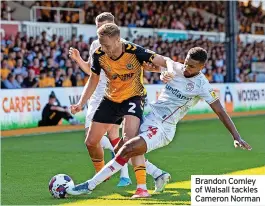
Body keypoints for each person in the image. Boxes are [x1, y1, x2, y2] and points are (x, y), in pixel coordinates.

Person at [68, 47, 252, 197]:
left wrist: (236, 136)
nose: (187, 68)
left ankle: (90, 186)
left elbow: (220, 111)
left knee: (128, 148)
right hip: (150, 117)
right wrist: (158, 71)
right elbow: (152, 66)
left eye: (192, 67)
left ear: (201, 67)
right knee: (121, 147)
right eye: (186, 62)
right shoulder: (176, 68)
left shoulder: (202, 85)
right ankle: (158, 174)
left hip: (164, 128)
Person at [70, 22, 174, 198]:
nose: (105, 49)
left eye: (108, 45)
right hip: (111, 99)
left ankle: (141, 188)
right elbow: (93, 79)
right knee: (91, 141)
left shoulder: (134, 50)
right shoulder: (99, 54)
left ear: (118, 40)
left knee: (129, 141)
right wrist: (81, 102)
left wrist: (168, 71)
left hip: (133, 97)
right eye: (102, 45)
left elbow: (164, 60)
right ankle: (155, 173)